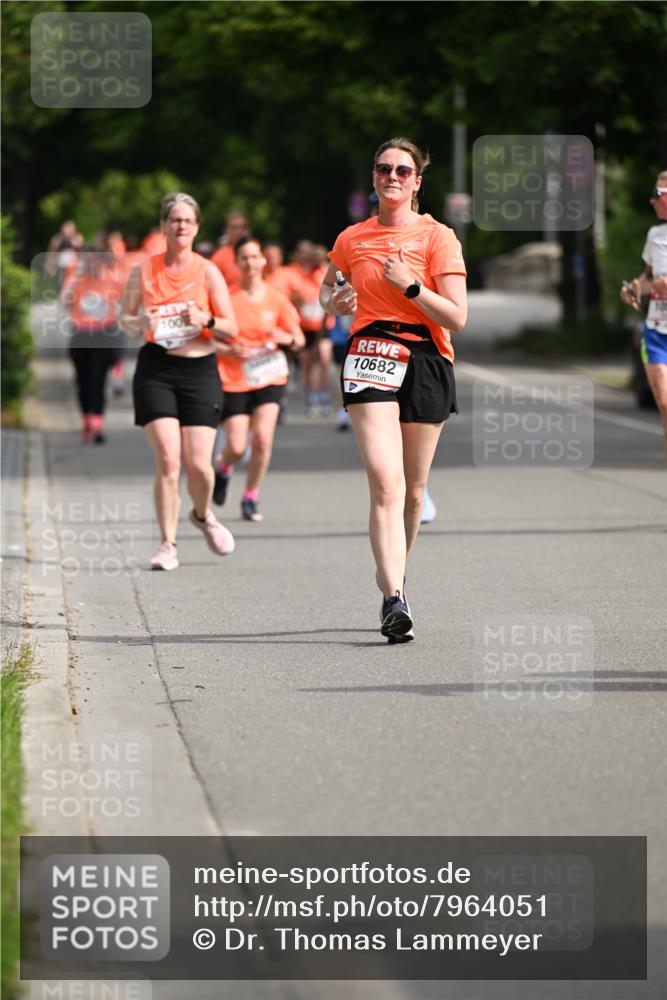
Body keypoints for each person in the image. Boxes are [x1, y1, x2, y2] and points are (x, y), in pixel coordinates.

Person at [320, 137, 467, 643]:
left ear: (417, 181)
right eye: (384, 169)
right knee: (386, 482)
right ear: (374, 176)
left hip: (427, 355)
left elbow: (457, 316)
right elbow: (328, 284)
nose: (393, 177)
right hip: (371, 354)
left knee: (414, 489)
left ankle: (394, 573)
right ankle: (393, 598)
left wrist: (411, 286)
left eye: (404, 171)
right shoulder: (352, 237)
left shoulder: (438, 237)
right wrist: (333, 300)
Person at [120, 192, 238, 571]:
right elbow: (124, 317)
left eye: (188, 220)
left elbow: (231, 328)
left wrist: (204, 319)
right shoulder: (144, 269)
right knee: (169, 460)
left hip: (200, 370)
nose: (181, 226)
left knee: (200, 466)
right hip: (156, 368)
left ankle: (202, 515)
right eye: (174, 220)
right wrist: (142, 323)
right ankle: (167, 544)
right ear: (163, 226)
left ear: (197, 226)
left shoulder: (208, 271)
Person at [213, 237, 304, 521]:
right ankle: (223, 468)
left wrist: (285, 337)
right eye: (244, 258)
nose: (251, 263)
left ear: (264, 261)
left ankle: (251, 495)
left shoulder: (277, 299)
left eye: (255, 257)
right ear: (237, 263)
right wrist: (229, 349)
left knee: (263, 439)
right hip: (234, 378)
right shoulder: (226, 298)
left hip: (269, 376)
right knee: (237, 447)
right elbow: (206, 341)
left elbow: (298, 339)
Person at [621, 171, 667, 459]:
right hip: (656, 329)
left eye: (658, 194)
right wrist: (634, 289)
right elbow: (648, 278)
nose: (652, 200)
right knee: (663, 402)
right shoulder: (655, 235)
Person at [61, 244, 124, 443]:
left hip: (104, 334)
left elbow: (126, 302)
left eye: (93, 259)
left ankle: (97, 423)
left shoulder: (111, 277)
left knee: (98, 379)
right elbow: (62, 301)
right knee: (82, 380)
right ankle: (86, 419)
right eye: (86, 259)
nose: (90, 263)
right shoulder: (75, 278)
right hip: (80, 334)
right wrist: (76, 276)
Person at [212, 212, 250, 289]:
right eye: (234, 227)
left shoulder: (255, 253)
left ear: (247, 230)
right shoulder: (219, 257)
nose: (238, 231)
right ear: (226, 230)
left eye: (242, 227)